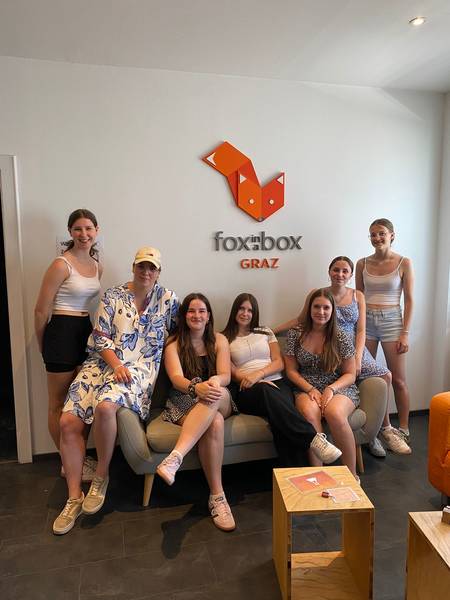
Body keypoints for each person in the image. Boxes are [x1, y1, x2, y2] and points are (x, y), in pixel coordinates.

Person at [53, 247, 179, 535]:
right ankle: (73, 498)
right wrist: (116, 363)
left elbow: (178, 334)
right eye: (141, 266)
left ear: (159, 272)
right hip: (103, 364)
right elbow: (100, 337)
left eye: (152, 268)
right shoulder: (113, 296)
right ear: (133, 267)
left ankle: (101, 477)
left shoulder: (168, 299)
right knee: (68, 421)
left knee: (106, 406)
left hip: (138, 370)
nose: (146, 272)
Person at [274, 256, 390, 458]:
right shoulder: (318, 296)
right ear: (329, 271)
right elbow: (300, 319)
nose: (340, 274)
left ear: (351, 275)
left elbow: (361, 330)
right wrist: (272, 331)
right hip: (323, 356)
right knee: (314, 411)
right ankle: (320, 467)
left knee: (385, 375)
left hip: (350, 346)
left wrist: (358, 356)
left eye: (345, 271)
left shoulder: (357, 296)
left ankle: (379, 431)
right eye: (336, 270)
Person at [222, 293, 342, 467]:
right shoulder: (223, 338)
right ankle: (313, 439)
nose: (245, 313)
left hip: (277, 382)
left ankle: (297, 474)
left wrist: (260, 373)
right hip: (248, 388)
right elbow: (231, 372)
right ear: (235, 310)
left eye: (250, 310)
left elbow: (279, 362)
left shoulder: (265, 331)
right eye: (241, 309)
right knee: (266, 391)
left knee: (279, 420)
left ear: (255, 313)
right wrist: (255, 379)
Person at [156, 293, 236, 532]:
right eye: (191, 311)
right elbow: (176, 378)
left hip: (218, 395)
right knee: (215, 422)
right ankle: (218, 497)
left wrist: (213, 382)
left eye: (202, 311)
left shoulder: (219, 340)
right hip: (184, 398)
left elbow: (226, 375)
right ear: (184, 316)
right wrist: (195, 388)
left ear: (209, 316)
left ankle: (175, 457)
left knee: (216, 394)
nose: (197, 315)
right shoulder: (173, 344)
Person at [34, 208, 102, 481]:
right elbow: (41, 311)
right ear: (70, 232)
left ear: (96, 230)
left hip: (85, 331)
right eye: (77, 229)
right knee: (57, 404)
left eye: (88, 228)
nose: (83, 234)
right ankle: (68, 462)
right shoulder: (61, 264)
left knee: (83, 401)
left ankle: (78, 457)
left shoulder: (97, 265)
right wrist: (43, 345)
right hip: (60, 331)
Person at [284, 289, 360, 479]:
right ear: (309, 309)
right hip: (305, 387)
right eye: (316, 307)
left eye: (326, 308)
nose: (321, 312)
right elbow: (291, 371)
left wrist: (331, 389)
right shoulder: (295, 334)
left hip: (338, 386)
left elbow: (350, 374)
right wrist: (310, 389)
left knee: (335, 413)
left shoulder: (341, 336)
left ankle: (352, 475)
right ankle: (317, 474)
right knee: (310, 414)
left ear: (332, 310)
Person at [355, 218, 414, 455]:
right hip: (367, 321)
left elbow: (409, 300)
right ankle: (373, 433)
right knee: (367, 377)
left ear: (392, 235)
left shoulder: (403, 262)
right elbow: (358, 297)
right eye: (373, 234)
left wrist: (405, 333)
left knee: (398, 379)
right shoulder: (362, 263)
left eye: (381, 233)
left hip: (392, 321)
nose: (377, 238)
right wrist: (357, 328)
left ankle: (403, 430)